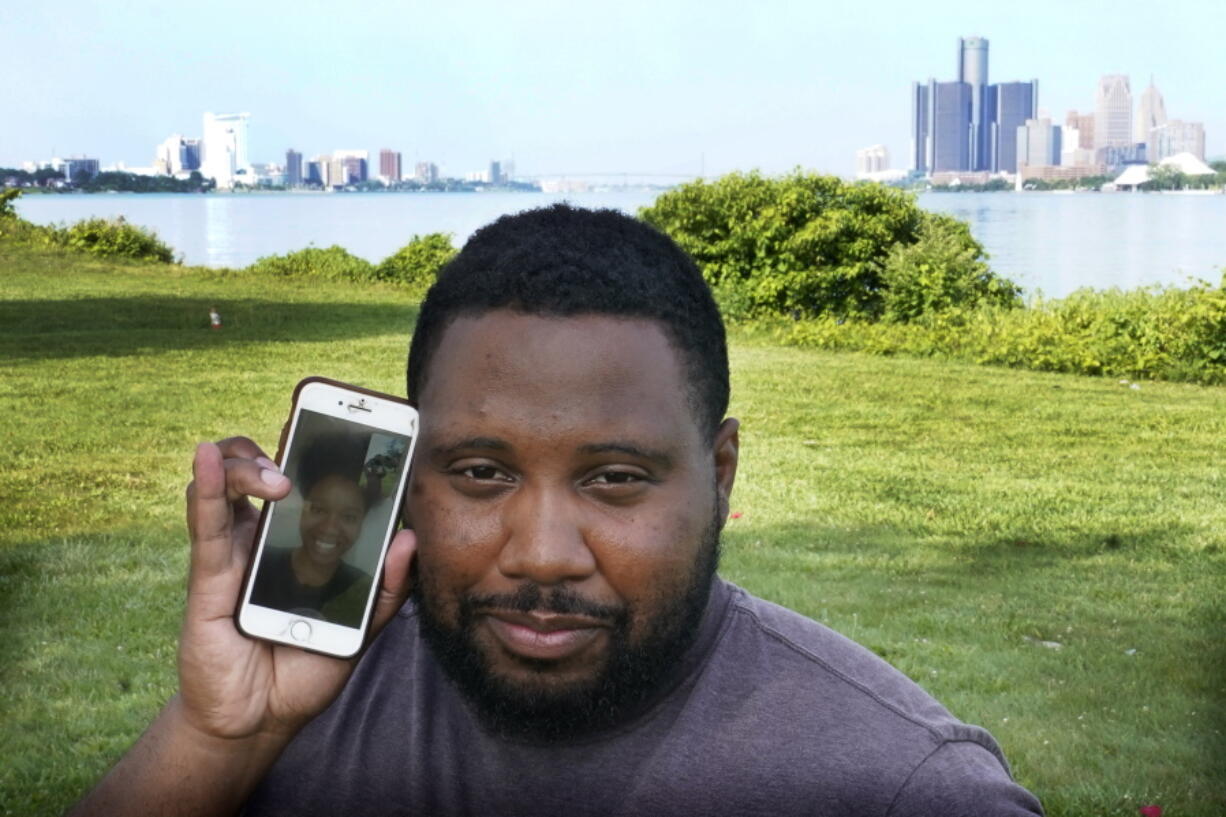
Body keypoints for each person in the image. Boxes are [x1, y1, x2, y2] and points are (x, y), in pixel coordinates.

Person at [71, 205, 1043, 816]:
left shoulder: (897, 783)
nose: (540, 555)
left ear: (721, 474)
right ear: (409, 476)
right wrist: (219, 738)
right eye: (482, 472)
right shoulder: (305, 705)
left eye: (614, 477)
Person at [247, 433, 374, 627]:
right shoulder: (258, 563)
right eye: (319, 509)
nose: (330, 528)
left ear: (362, 522)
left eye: (349, 517)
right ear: (303, 508)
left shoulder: (363, 591)